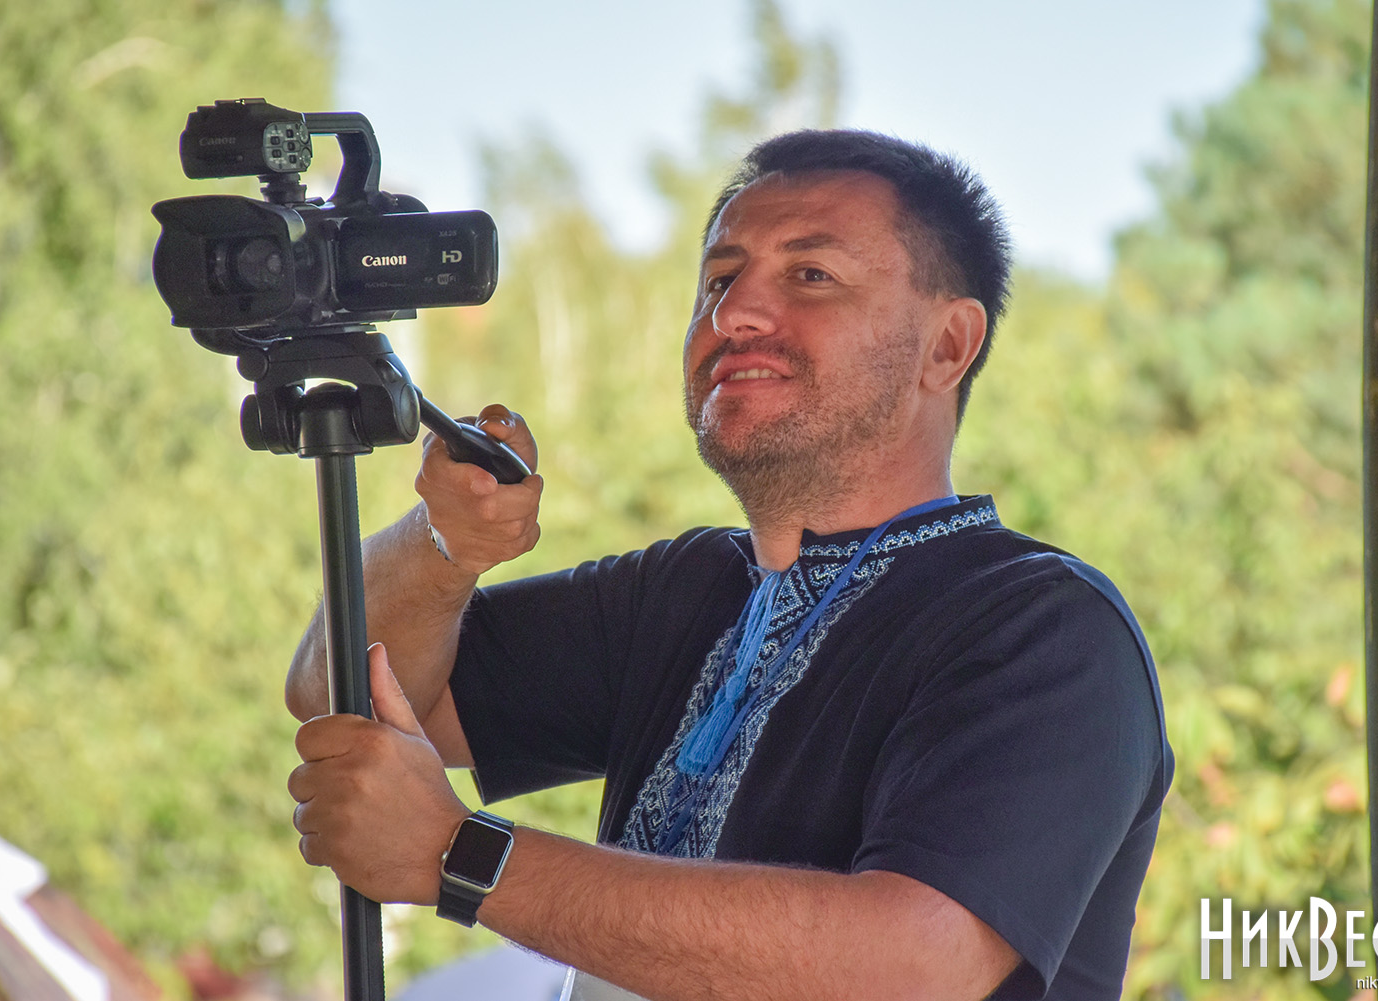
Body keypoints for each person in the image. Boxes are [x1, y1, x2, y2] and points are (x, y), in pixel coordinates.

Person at [285, 129, 1173, 1001]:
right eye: (719, 279)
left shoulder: (1046, 626)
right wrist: (448, 545)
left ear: (947, 345)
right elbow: (345, 687)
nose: (734, 313)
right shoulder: (681, 590)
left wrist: (462, 854)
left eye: (811, 274)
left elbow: (913, 967)